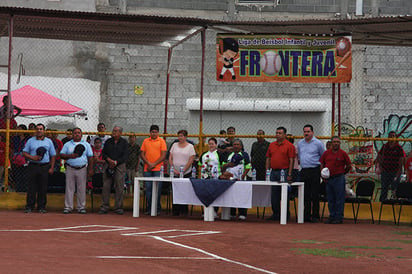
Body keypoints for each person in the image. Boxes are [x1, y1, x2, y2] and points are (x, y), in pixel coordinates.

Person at [22, 123, 56, 213]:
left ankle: (41, 207)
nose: (39, 130)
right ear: (35, 131)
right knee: (31, 187)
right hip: (33, 165)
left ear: (44, 131)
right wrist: (32, 157)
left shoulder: (49, 141)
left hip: (44, 166)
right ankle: (29, 206)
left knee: (43, 187)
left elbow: (53, 155)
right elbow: (24, 152)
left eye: (41, 129)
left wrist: (51, 167)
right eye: (37, 129)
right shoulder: (30, 141)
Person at [60, 127, 93, 214]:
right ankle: (68, 207)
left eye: (78, 133)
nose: (77, 134)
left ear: (81, 135)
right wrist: (71, 156)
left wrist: (90, 169)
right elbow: (62, 155)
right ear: (72, 134)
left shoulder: (86, 144)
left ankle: (81, 207)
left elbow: (90, 157)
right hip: (70, 168)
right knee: (69, 188)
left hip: (82, 168)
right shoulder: (67, 144)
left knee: (81, 189)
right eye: (75, 133)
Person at [265, 127, 296, 221]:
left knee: (284, 194)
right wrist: (267, 171)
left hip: (284, 171)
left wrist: (290, 173)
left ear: (285, 135)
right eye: (277, 133)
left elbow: (291, 160)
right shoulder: (272, 145)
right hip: (273, 171)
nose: (277, 134)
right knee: (274, 194)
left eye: (280, 133)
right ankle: (276, 214)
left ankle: (285, 214)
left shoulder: (289, 146)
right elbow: (268, 158)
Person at [297, 124, 325, 223]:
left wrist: (321, 171)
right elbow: (299, 157)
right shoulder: (300, 143)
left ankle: (316, 215)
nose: (306, 133)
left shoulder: (318, 143)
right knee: (306, 194)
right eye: (305, 132)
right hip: (304, 171)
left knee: (315, 194)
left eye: (308, 132)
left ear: (312, 132)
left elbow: (322, 157)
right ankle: (306, 215)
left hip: (315, 170)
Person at [320, 136, 351, 224]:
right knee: (330, 198)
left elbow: (348, 165)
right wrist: (323, 175)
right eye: (334, 142)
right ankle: (331, 216)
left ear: (339, 143)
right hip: (329, 179)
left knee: (339, 198)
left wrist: (342, 173)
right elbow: (322, 164)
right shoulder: (326, 153)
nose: (336, 144)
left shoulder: (343, 153)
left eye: (338, 142)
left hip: (339, 178)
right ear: (331, 143)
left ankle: (339, 217)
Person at [98, 126, 128, 215]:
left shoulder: (124, 143)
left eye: (116, 131)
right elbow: (103, 153)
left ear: (120, 133)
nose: (113, 132)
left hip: (120, 165)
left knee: (119, 186)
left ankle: (118, 207)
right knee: (106, 186)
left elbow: (125, 156)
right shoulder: (108, 141)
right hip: (108, 164)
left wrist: (116, 162)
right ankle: (104, 206)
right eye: (113, 130)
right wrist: (109, 160)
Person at [140, 125, 167, 215]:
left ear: (158, 133)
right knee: (148, 189)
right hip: (147, 168)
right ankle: (149, 207)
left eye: (155, 132)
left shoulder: (162, 141)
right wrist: (148, 163)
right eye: (152, 132)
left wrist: (153, 164)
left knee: (157, 189)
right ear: (150, 132)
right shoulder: (145, 141)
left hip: (158, 169)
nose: (154, 134)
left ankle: (157, 208)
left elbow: (163, 156)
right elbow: (142, 154)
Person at [222, 139, 251, 220]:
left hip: (240, 179)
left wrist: (243, 175)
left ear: (241, 146)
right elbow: (223, 165)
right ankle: (232, 213)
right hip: (230, 179)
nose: (236, 146)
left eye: (238, 144)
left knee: (241, 196)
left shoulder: (244, 154)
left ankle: (242, 213)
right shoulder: (229, 154)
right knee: (231, 195)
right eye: (234, 144)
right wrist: (227, 167)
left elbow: (248, 166)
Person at [169, 129, 196, 216]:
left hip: (186, 172)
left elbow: (191, 159)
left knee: (184, 190)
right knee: (175, 190)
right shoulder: (174, 145)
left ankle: (184, 210)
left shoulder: (190, 147)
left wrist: (184, 170)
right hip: (175, 172)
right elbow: (170, 157)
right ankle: (175, 210)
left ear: (186, 137)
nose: (180, 137)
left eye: (182, 136)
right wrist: (173, 169)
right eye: (179, 136)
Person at [376, 131, 405, 201]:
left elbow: (401, 159)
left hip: (394, 171)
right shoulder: (385, 146)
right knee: (384, 188)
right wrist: (379, 167)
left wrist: (399, 170)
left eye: (393, 136)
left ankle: (395, 200)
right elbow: (379, 156)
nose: (392, 137)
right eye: (390, 136)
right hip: (385, 170)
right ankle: (382, 201)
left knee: (395, 188)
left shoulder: (398, 148)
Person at [11, 124, 29, 192]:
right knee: (17, 175)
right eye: (17, 129)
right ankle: (18, 189)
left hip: (25, 158)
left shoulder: (28, 139)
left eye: (20, 129)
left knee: (24, 175)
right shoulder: (15, 138)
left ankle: (24, 189)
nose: (18, 131)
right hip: (16, 157)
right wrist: (12, 157)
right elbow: (12, 148)